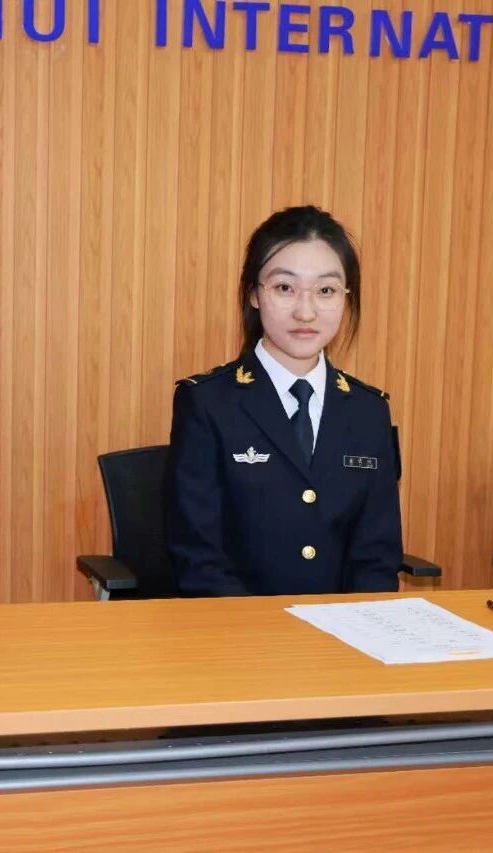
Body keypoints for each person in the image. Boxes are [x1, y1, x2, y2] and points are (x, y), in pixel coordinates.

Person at [165, 205, 403, 596]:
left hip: (341, 628)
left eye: (325, 291)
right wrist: (267, 630)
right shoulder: (207, 403)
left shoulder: (368, 411)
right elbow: (199, 560)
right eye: (284, 288)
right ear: (254, 294)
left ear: (346, 297)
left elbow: (377, 558)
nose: (305, 312)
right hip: (237, 626)